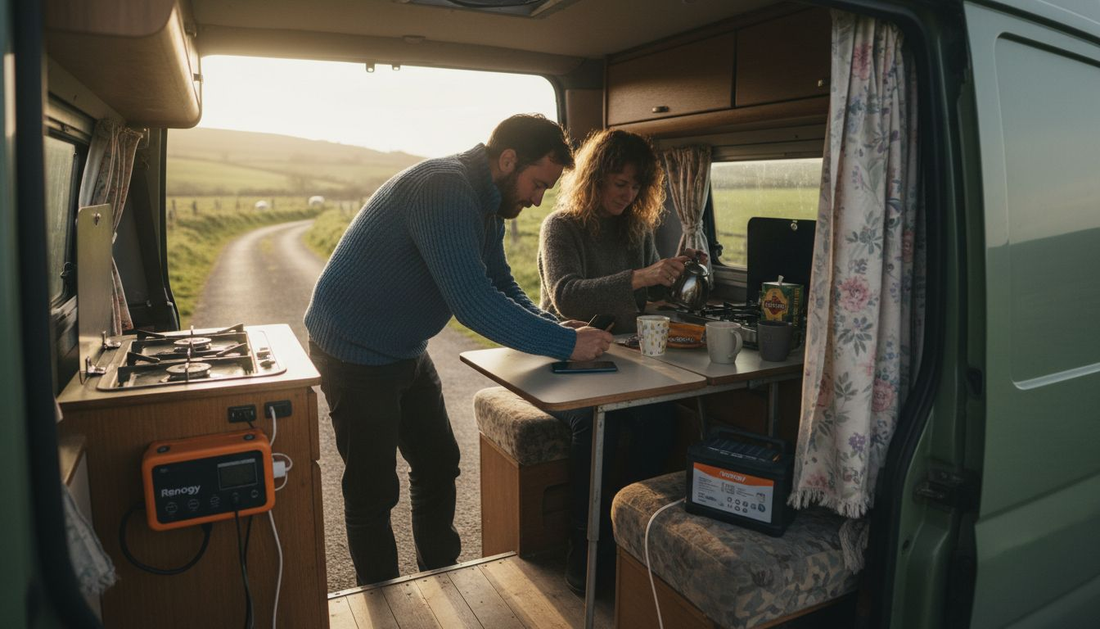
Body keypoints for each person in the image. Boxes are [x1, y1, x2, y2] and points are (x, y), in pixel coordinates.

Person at [304, 114, 613, 585]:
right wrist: (567, 344)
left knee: (438, 462)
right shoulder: (443, 189)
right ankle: (384, 601)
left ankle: (439, 578)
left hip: (405, 347)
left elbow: (499, 282)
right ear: (508, 160)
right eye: (536, 184)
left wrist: (553, 323)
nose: (537, 199)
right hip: (353, 351)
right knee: (373, 490)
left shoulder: (487, 201)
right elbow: (473, 303)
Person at [537, 129, 701, 594]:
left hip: (621, 357)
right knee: (597, 426)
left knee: (662, 421)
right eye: (618, 184)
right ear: (594, 179)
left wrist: (674, 271)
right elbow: (565, 295)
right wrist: (640, 276)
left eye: (635, 187)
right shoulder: (561, 227)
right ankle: (584, 549)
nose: (628, 197)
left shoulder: (636, 227)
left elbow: (645, 291)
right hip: (565, 357)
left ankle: (624, 532)